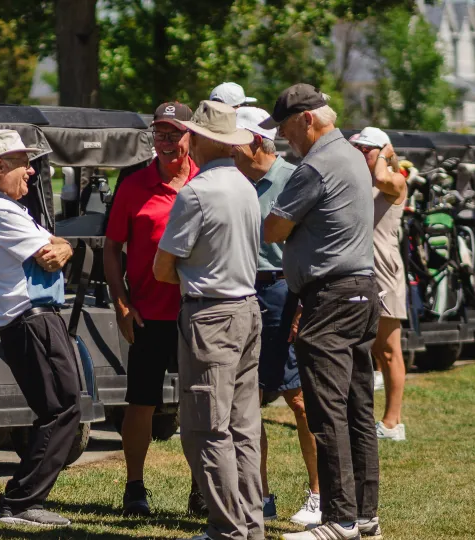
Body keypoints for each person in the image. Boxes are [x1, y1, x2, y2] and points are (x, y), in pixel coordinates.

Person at [261, 84, 382, 540]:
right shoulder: (350, 154)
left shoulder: (316, 164)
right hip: (360, 291)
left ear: (307, 119)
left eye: (286, 128)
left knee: (326, 409)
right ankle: (364, 515)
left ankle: (339, 519)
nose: (283, 139)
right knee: (356, 409)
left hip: (330, 297)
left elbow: (274, 227)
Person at [153, 100, 263, 540]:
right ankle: (249, 524)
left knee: (205, 427)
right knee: (243, 427)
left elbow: (163, 268)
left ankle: (227, 529)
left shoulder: (197, 192)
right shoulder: (245, 186)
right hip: (246, 309)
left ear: (198, 139)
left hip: (210, 316)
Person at [0, 129, 81, 528]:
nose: (31, 172)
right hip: (32, 320)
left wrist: (62, 246)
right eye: (23, 164)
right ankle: (19, 503)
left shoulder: (2, 207)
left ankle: (21, 501)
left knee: (60, 408)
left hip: (33, 320)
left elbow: (54, 246)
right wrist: (64, 247)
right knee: (62, 409)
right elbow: (51, 254)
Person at [105, 101, 200, 516]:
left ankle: (201, 487)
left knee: (199, 403)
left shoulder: (206, 181)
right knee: (141, 402)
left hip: (197, 313)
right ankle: (134, 488)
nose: (165, 141)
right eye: (159, 133)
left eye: (174, 133)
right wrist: (121, 302)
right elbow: (111, 248)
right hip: (147, 314)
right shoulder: (134, 185)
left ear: (190, 136)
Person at [232, 106, 322, 527]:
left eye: (235, 143)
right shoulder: (234, 180)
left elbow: (312, 245)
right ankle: (259, 495)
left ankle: (320, 494)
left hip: (285, 291)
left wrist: (303, 301)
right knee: (247, 401)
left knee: (300, 399)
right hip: (241, 289)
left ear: (254, 143)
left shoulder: (294, 177)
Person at [352, 127, 409, 442]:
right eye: (357, 148)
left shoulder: (395, 179)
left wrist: (385, 155)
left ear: (383, 150)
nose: (361, 154)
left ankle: (391, 422)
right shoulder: (364, 179)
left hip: (384, 270)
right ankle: (388, 419)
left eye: (366, 149)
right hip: (362, 270)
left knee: (389, 349)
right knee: (373, 346)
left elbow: (381, 178)